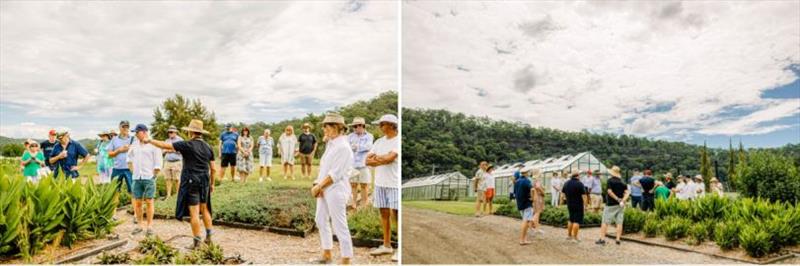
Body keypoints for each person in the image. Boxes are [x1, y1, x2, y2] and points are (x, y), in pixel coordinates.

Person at [144, 119, 216, 249]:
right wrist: (212, 184)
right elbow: (213, 168)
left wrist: (150, 140)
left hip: (191, 180)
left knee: (194, 212)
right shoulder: (208, 147)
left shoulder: (187, 145)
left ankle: (197, 242)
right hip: (205, 180)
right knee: (205, 209)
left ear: (190, 133)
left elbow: (165, 146)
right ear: (201, 133)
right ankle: (209, 236)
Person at [310, 113, 354, 264]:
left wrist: (319, 186)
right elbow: (324, 168)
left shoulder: (343, 147)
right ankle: (327, 254)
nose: (324, 129)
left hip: (336, 189)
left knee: (339, 223)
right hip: (324, 187)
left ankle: (346, 259)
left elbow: (335, 174)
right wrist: (317, 184)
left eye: (326, 126)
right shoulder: (331, 144)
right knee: (320, 219)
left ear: (336, 127)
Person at [366, 114, 399, 261]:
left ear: (391, 125)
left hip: (394, 183)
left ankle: (399, 248)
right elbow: (367, 160)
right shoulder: (379, 142)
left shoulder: (398, 141)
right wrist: (383, 159)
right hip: (380, 183)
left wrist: (380, 159)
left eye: (382, 124)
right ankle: (387, 245)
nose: (379, 127)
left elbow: (389, 159)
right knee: (384, 214)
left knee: (396, 216)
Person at [127, 124, 163, 236]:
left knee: (149, 201)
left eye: (137, 132)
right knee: (137, 202)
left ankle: (150, 226)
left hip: (148, 177)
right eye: (135, 133)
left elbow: (158, 162)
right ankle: (139, 225)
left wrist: (154, 175)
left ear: (144, 132)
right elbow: (129, 158)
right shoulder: (135, 144)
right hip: (137, 177)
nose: (136, 135)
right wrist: (133, 171)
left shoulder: (153, 145)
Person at [596, 166, 629, 246]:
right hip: (620, 205)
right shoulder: (623, 182)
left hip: (611, 204)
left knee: (605, 221)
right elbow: (627, 193)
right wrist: (623, 200)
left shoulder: (610, 181)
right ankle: (618, 239)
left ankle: (602, 239)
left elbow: (609, 192)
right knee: (619, 222)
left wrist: (617, 199)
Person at [348, 117, 374, 209]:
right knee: (353, 184)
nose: (355, 128)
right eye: (354, 126)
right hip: (352, 164)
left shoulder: (369, 136)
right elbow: (348, 148)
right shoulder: (350, 136)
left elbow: (368, 147)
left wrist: (356, 147)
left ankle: (364, 203)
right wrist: (357, 147)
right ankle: (353, 203)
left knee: (364, 184)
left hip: (364, 164)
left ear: (362, 126)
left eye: (357, 126)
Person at [108, 120, 134, 194]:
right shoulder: (114, 139)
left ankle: (134, 205)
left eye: (127, 127)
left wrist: (130, 149)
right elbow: (109, 155)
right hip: (117, 169)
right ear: (119, 127)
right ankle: (116, 206)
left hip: (130, 169)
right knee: (114, 190)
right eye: (123, 127)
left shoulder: (133, 139)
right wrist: (119, 150)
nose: (125, 128)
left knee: (133, 190)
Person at [562, 170, 586, 243]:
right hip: (578, 204)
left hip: (569, 204)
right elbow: (584, 196)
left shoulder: (566, 183)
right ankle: (575, 237)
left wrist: (566, 200)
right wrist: (586, 205)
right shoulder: (580, 184)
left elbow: (563, 195)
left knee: (571, 219)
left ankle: (569, 235)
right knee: (577, 221)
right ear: (578, 175)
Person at [514, 168, 534, 245]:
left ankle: (524, 238)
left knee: (525, 220)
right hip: (527, 203)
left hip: (520, 203)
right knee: (525, 221)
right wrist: (532, 198)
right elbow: (532, 189)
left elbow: (515, 192)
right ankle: (522, 240)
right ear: (526, 173)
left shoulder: (517, 181)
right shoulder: (527, 181)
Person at [163, 125, 183, 198]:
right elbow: (163, 151)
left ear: (175, 132)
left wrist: (170, 150)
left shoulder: (180, 140)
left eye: (171, 132)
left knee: (177, 179)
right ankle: (168, 195)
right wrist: (172, 150)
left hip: (176, 162)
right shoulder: (167, 141)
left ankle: (178, 195)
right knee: (168, 179)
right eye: (169, 132)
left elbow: (181, 151)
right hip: (167, 161)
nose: (170, 133)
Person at [531, 170, 546, 236]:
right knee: (537, 212)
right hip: (539, 197)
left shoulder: (533, 180)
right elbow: (537, 187)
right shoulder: (537, 180)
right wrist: (543, 192)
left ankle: (535, 228)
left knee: (536, 212)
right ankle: (533, 222)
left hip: (535, 197)